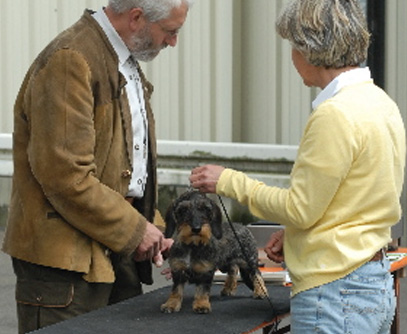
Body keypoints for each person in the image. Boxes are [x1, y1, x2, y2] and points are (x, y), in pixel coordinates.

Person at [190, 0, 406, 333]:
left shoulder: (334, 114)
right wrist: (298, 238)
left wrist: (229, 181)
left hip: (333, 291)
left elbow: (301, 208)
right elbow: (352, 202)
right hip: (372, 282)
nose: (292, 57)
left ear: (308, 49)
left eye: (293, 45)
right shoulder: (380, 102)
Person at [2, 0, 193, 332]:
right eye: (171, 32)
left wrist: (153, 229)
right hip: (64, 266)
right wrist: (135, 230)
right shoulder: (70, 59)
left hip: (110, 252)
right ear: (136, 18)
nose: (172, 42)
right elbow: (65, 175)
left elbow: (127, 165)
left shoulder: (120, 59)